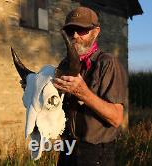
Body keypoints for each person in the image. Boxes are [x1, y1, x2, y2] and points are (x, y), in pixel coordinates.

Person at [53, 6, 127, 166]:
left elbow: (116, 118)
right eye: (71, 30)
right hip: (66, 147)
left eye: (82, 30)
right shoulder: (64, 64)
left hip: (95, 153)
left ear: (96, 32)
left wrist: (83, 93)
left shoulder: (107, 63)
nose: (75, 35)